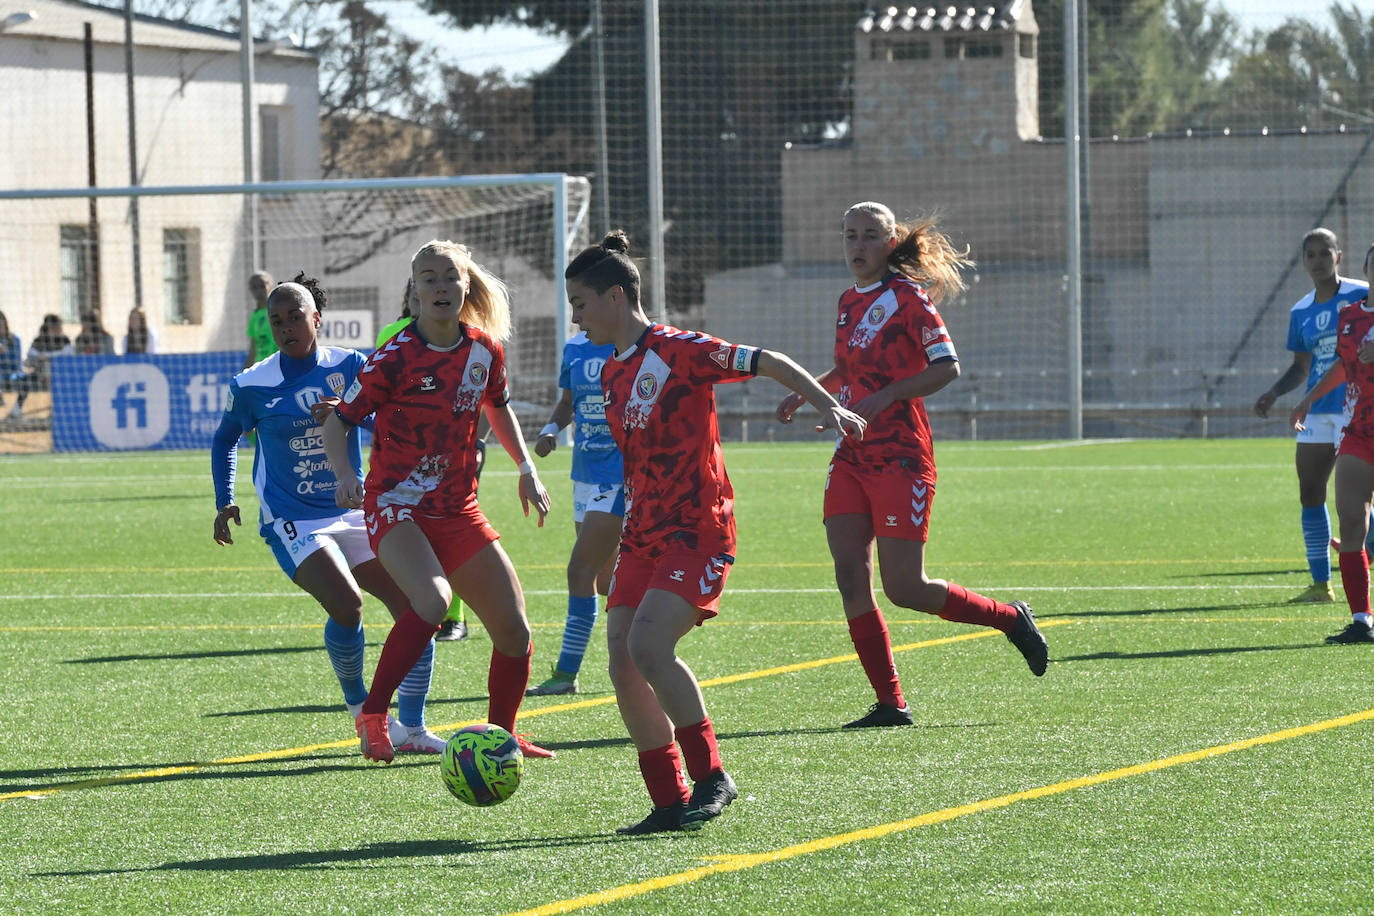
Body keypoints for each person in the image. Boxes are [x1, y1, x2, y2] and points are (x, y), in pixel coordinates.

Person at [566, 230, 867, 834]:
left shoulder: (677, 349)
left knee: (649, 647)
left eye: (581, 303)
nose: (576, 316)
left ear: (618, 298)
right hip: (643, 536)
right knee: (623, 666)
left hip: (698, 530)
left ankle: (711, 777)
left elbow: (768, 360)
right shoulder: (608, 373)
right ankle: (668, 798)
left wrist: (825, 404)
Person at [776, 201, 1049, 731]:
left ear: (890, 241)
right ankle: (890, 703)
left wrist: (885, 398)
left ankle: (1009, 618)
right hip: (852, 455)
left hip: (901, 458)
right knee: (850, 578)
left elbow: (947, 367)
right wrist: (812, 391)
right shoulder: (847, 302)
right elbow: (851, 364)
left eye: (870, 236)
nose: (858, 245)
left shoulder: (908, 298)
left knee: (905, 588)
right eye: (850, 235)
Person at [323, 239, 555, 764]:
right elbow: (340, 421)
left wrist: (526, 469)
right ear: (414, 292)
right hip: (395, 506)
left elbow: (497, 408)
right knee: (430, 602)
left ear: (465, 286)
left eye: (449, 277)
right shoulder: (395, 355)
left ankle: (502, 736)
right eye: (427, 279)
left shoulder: (484, 350)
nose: (439, 287)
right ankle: (375, 715)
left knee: (514, 632)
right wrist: (345, 475)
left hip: (456, 509)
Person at [211, 274, 447, 752]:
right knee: (347, 603)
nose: (285, 327)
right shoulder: (252, 383)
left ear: (317, 318)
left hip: (352, 509)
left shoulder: (352, 365)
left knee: (418, 607)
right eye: (277, 321)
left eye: (295, 317)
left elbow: (392, 417)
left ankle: (415, 728)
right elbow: (225, 438)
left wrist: (350, 412)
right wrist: (225, 497)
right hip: (291, 518)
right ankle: (363, 713)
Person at [1256, 228, 1372, 603]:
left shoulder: (1360, 294)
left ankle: (1360, 557)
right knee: (1310, 491)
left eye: (1326, 253)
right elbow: (1302, 366)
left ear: (1339, 256)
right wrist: (1275, 392)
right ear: (1304, 262)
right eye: (1311, 255)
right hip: (1319, 410)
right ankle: (1321, 583)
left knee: (1361, 499)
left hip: (1356, 409)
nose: (1318, 260)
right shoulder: (1301, 311)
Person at [527, 329, 625, 695]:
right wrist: (551, 429)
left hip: (620, 476)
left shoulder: (633, 343)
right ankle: (649, 634)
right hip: (584, 472)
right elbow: (569, 402)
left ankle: (568, 674)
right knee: (603, 578)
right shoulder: (575, 348)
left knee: (579, 571)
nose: (578, 314)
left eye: (582, 302)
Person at [376, 278, 470, 643]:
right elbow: (380, 392)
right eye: (418, 291)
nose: (427, 297)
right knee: (411, 538)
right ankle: (422, 608)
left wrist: (475, 441)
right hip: (403, 458)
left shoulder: (464, 335)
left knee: (450, 533)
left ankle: (454, 617)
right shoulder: (392, 333)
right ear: (410, 297)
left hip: (450, 452)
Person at [1292, 243, 1374, 644]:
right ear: (1366, 268)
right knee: (1351, 519)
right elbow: (1344, 363)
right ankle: (1361, 619)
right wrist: (1308, 399)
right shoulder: (1350, 316)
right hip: (1359, 432)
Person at [25, 313, 71, 391]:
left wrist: (48, 355)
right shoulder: (40, 339)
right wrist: (39, 355)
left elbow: (67, 352)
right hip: (42, 372)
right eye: (58, 326)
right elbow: (30, 352)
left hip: (61, 371)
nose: (61, 328)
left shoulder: (64, 339)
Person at [244, 270, 277, 370]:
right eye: (254, 287)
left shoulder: (277, 311)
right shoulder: (255, 316)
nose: (259, 291)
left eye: (262, 286)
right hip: (261, 368)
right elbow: (253, 349)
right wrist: (246, 371)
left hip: (277, 365)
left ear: (271, 286)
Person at [0, 311, 29, 420]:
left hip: (11, 374)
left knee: (27, 380)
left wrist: (5, 352)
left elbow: (17, 363)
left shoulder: (14, 339)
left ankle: (16, 410)